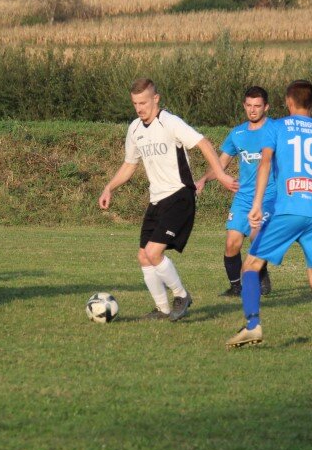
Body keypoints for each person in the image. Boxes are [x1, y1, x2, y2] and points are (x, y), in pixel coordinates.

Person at [225, 80, 312, 355]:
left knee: (250, 265)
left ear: (288, 102)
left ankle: (252, 324)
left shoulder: (277, 127)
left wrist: (257, 203)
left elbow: (266, 162)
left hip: (287, 209)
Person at [99, 78, 237, 321]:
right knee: (144, 256)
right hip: (157, 200)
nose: (139, 108)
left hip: (180, 196)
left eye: (143, 102)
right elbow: (130, 165)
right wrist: (109, 187)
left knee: (154, 252)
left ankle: (182, 295)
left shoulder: (169, 122)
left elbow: (203, 142)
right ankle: (162, 309)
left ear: (156, 99)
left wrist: (222, 175)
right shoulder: (134, 129)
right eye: (135, 103)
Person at [195, 86, 276, 297]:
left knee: (256, 236)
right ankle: (236, 287)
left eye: (257, 106)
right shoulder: (237, 133)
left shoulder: (276, 130)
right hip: (243, 195)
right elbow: (220, 163)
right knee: (232, 242)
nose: (253, 110)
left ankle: (261, 272)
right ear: (244, 106)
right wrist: (204, 179)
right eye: (249, 105)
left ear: (266, 107)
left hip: (269, 195)